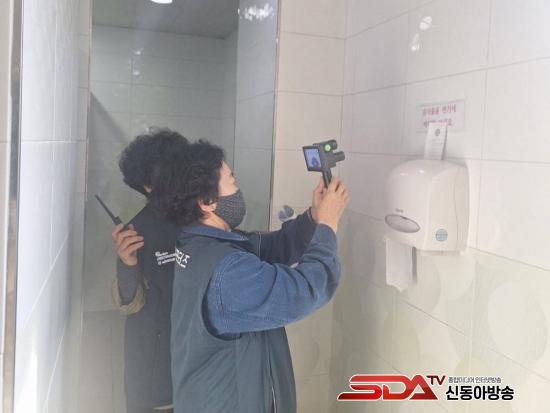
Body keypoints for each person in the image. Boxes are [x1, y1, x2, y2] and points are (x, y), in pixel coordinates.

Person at [148, 140, 349, 413]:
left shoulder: (200, 243)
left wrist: (314, 217)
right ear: (207, 202)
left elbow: (275, 247)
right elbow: (304, 291)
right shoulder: (227, 271)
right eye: (232, 181)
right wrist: (327, 225)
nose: (238, 190)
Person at [111, 129, 189, 413]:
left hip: (196, 361)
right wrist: (127, 263)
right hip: (155, 371)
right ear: (147, 185)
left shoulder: (201, 219)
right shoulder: (137, 233)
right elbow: (129, 302)